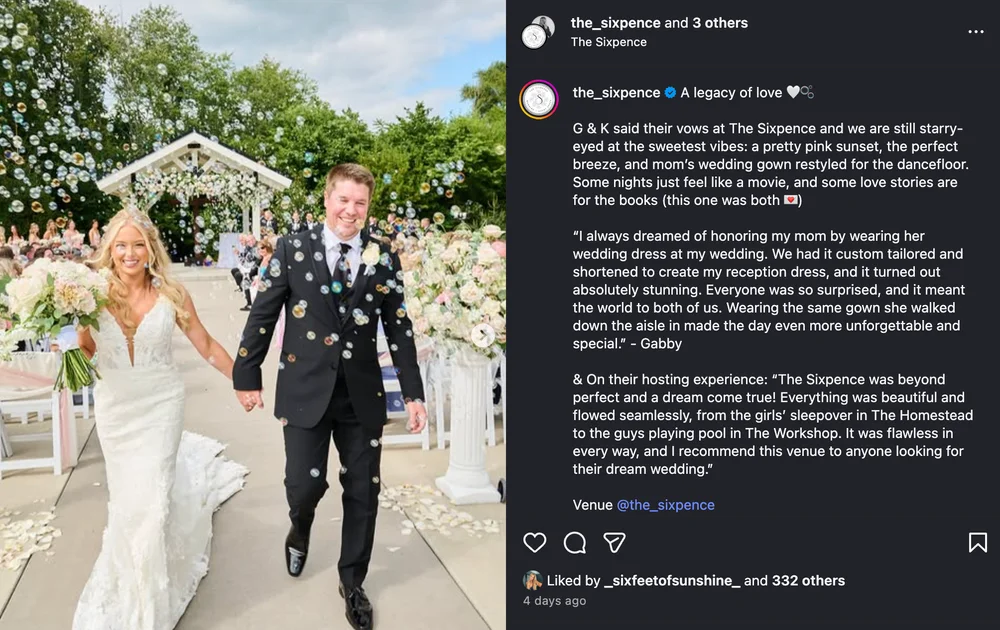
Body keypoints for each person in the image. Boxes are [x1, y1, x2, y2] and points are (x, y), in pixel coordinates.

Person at [232, 164, 427, 630]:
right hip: (304, 391)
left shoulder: (383, 257)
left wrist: (413, 393)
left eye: (360, 203)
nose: (351, 211)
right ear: (326, 199)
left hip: (362, 397)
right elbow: (263, 312)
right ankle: (299, 528)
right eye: (343, 199)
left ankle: (353, 582)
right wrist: (247, 373)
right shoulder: (291, 249)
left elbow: (398, 328)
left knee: (363, 491)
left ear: (368, 207)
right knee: (305, 486)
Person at [68, 206, 248, 630]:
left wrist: (243, 380)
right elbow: (85, 349)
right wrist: (68, 351)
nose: (129, 254)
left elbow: (203, 343)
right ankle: (127, 581)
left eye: (138, 245)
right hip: (117, 409)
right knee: (129, 502)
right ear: (109, 250)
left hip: (161, 406)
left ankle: (147, 606)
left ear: (151, 250)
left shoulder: (172, 294)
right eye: (121, 246)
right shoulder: (90, 293)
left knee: (150, 500)